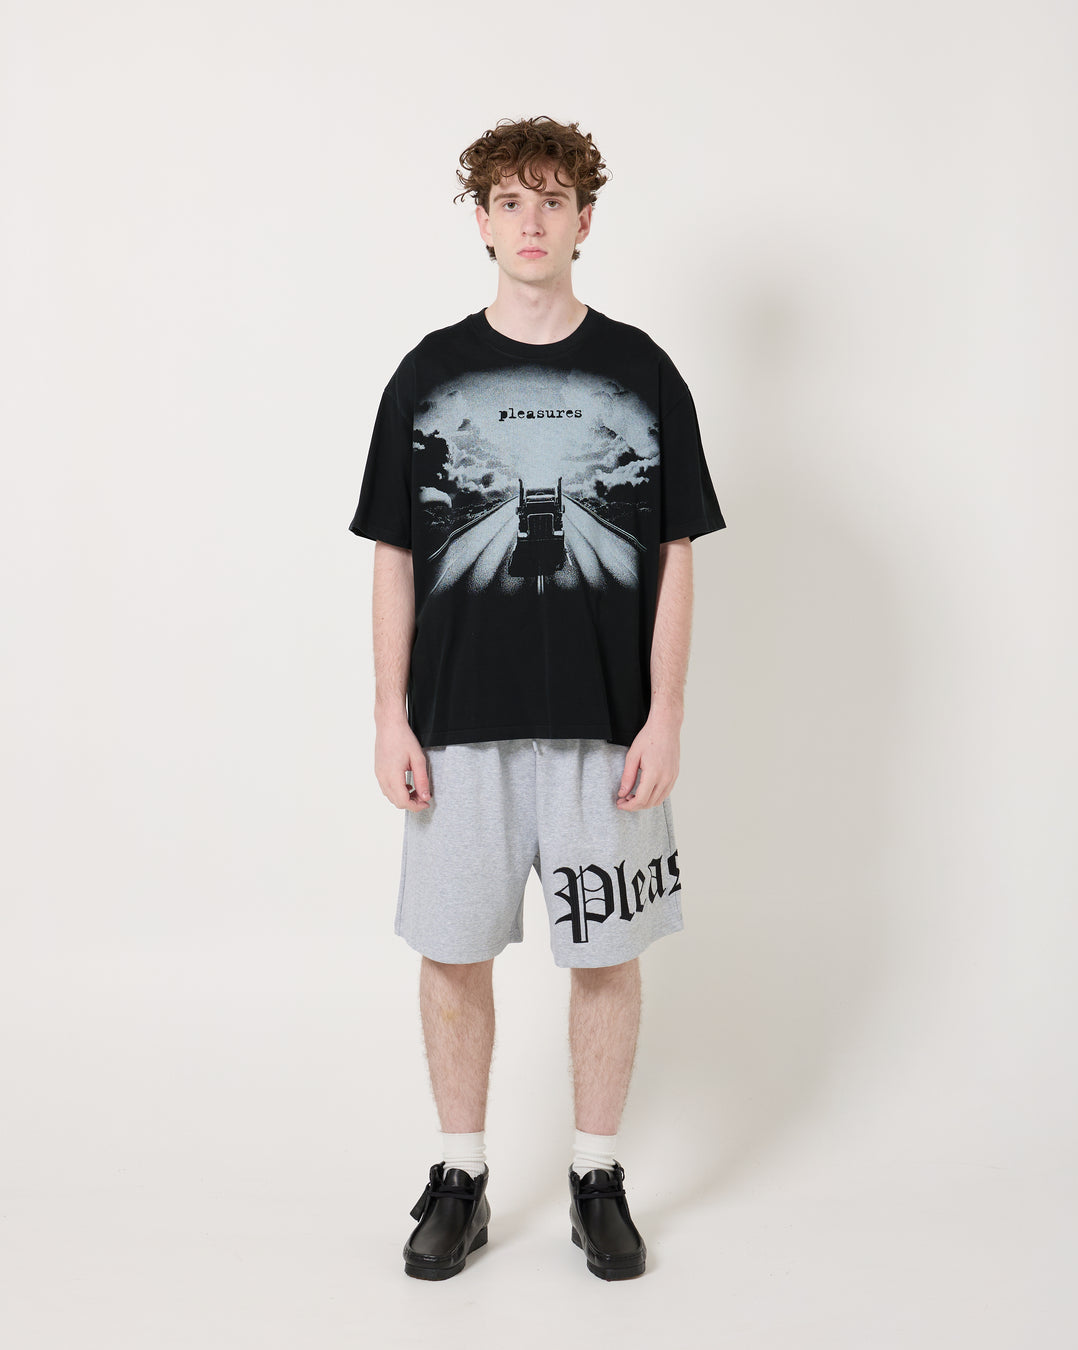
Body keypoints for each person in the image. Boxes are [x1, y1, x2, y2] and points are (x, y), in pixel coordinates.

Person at [348, 115, 726, 1281]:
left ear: (584, 221)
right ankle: (459, 1174)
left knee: (606, 953)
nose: (530, 221)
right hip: (457, 725)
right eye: (509, 201)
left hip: (606, 728)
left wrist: (665, 714)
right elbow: (395, 554)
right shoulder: (428, 372)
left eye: (551, 200)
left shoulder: (642, 369)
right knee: (453, 951)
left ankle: (596, 1176)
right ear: (482, 221)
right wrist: (389, 713)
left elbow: (674, 552)